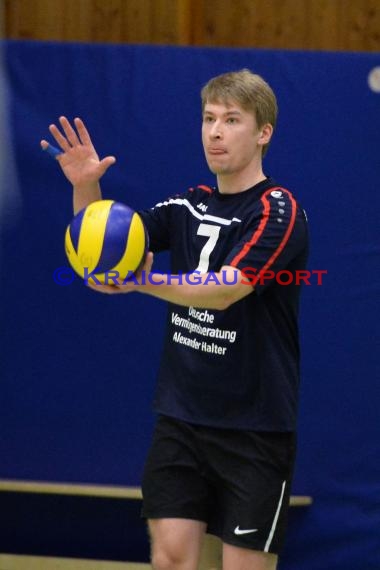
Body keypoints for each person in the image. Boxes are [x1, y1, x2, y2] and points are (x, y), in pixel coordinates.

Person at [41, 69, 308, 570]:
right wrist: (86, 188)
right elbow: (104, 260)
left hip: (254, 427)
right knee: (170, 560)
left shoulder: (278, 210)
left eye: (232, 120)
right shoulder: (187, 204)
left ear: (263, 132)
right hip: (181, 419)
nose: (215, 132)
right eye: (209, 119)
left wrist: (142, 282)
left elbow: (227, 290)